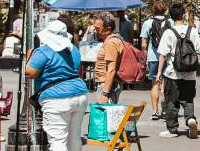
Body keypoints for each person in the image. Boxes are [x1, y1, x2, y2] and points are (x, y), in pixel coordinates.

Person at [25, 20, 89, 151]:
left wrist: (28, 56)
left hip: (56, 98)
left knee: (57, 141)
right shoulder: (73, 50)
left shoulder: (43, 51)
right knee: (74, 137)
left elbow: (30, 73)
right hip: (79, 94)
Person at [156, 4, 200, 139]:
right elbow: (198, 50)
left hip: (172, 73)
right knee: (188, 100)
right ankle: (190, 120)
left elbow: (162, 55)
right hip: (190, 73)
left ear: (170, 16)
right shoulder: (192, 31)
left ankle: (172, 129)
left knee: (172, 101)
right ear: (183, 15)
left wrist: (159, 72)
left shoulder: (169, 32)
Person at [141, 3, 171, 121]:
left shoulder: (147, 23)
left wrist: (145, 56)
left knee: (154, 84)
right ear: (165, 10)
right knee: (166, 82)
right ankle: (167, 107)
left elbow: (144, 44)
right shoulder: (170, 23)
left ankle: (155, 111)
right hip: (167, 57)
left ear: (153, 10)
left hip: (153, 57)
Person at [93, 15, 126, 104]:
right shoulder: (110, 41)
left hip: (108, 85)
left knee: (106, 116)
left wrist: (105, 93)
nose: (95, 32)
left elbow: (111, 69)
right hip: (108, 84)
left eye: (97, 29)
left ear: (108, 29)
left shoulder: (111, 42)